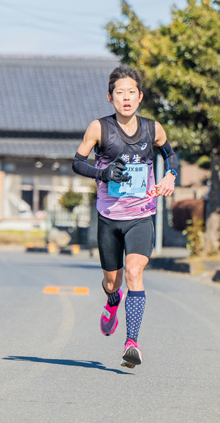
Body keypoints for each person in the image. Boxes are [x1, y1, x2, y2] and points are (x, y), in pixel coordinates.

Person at [72, 65, 177, 368]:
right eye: (120, 93)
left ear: (140, 97)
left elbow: (170, 154)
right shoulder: (99, 128)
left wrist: (170, 175)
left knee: (134, 273)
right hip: (109, 217)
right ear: (111, 97)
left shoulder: (152, 129)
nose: (126, 98)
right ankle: (112, 302)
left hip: (141, 215)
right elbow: (77, 163)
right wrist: (102, 172)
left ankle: (132, 341)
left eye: (132, 92)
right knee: (112, 282)